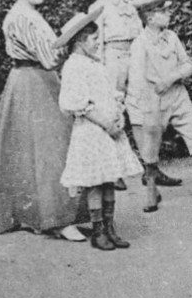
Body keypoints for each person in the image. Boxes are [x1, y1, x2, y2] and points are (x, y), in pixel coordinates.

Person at [0, 0, 83, 241]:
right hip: (31, 81)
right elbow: (49, 58)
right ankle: (54, 218)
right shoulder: (21, 17)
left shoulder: (33, 15)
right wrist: (70, 44)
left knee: (50, 144)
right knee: (44, 146)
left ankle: (56, 213)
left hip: (39, 79)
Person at [126, 0, 192, 212]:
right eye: (164, 11)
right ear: (150, 18)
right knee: (150, 146)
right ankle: (151, 190)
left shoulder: (172, 37)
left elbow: (188, 65)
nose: (169, 14)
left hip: (178, 96)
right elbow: (136, 80)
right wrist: (143, 106)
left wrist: (170, 78)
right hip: (153, 100)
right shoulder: (139, 44)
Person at [89, 0, 178, 189]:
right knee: (113, 112)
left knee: (145, 111)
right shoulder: (98, 8)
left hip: (135, 59)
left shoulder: (130, 5)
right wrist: (99, 73)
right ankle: (112, 170)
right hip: (113, 61)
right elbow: (97, 44)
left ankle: (151, 168)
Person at [56, 15, 142, 252]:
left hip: (109, 129)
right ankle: (98, 230)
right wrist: (105, 122)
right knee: (95, 181)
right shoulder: (73, 65)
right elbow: (76, 102)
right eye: (94, 39)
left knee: (108, 179)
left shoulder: (95, 63)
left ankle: (110, 226)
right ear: (81, 41)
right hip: (92, 130)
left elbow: (110, 94)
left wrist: (119, 116)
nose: (97, 43)